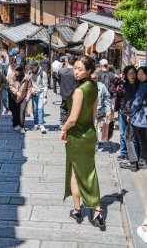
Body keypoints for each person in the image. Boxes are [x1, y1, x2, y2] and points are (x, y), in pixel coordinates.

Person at [60, 56, 105, 230]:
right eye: (75, 68)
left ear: (88, 71)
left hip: (77, 136)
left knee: (75, 173)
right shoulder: (93, 86)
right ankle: (97, 212)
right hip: (89, 134)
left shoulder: (79, 91)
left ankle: (78, 211)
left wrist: (63, 129)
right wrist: (91, 130)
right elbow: (94, 113)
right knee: (90, 171)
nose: (76, 72)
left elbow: (72, 118)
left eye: (80, 69)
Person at [109, 65, 140, 162]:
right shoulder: (122, 83)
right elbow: (112, 90)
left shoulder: (139, 84)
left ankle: (135, 156)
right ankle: (124, 153)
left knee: (133, 136)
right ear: (125, 74)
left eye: (134, 73)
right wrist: (116, 79)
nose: (132, 75)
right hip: (123, 112)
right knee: (123, 134)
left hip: (134, 114)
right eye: (130, 73)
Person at [120, 66, 147, 171]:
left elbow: (136, 102)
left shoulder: (143, 86)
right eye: (138, 74)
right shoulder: (142, 84)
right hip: (145, 118)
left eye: (142, 74)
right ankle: (142, 162)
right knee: (143, 139)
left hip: (138, 117)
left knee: (128, 137)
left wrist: (130, 114)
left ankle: (133, 162)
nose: (139, 76)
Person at [91, 71, 113, 151]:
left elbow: (107, 98)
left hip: (98, 110)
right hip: (87, 111)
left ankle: (94, 145)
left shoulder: (101, 86)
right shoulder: (86, 86)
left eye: (95, 78)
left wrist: (108, 110)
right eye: (91, 78)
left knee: (94, 127)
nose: (93, 80)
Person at [8, 65, 32, 134]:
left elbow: (29, 88)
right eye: (14, 71)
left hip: (23, 97)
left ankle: (22, 127)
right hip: (14, 97)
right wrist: (16, 92)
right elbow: (11, 86)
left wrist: (27, 98)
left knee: (22, 111)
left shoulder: (27, 77)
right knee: (15, 111)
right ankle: (16, 123)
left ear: (20, 71)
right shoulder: (12, 76)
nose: (14, 72)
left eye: (16, 71)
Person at [58, 55, 78, 128]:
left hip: (64, 92)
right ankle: (73, 122)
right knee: (74, 108)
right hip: (75, 93)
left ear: (67, 62)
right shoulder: (76, 72)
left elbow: (59, 80)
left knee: (63, 107)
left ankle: (62, 123)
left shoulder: (61, 71)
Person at [29, 60, 48, 134]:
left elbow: (45, 85)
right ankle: (36, 124)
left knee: (40, 108)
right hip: (34, 93)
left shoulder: (43, 73)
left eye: (32, 68)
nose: (31, 69)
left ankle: (41, 125)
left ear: (36, 67)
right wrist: (31, 88)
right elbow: (29, 82)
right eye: (30, 67)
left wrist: (45, 96)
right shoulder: (30, 72)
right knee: (35, 110)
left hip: (41, 92)